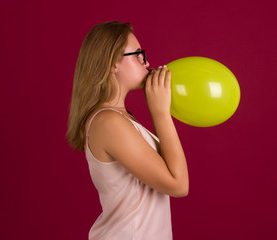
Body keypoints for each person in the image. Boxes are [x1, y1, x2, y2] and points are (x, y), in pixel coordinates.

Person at [67, 21, 189, 240]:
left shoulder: (120, 118)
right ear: (112, 63)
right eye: (138, 55)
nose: (147, 62)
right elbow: (178, 185)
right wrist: (161, 113)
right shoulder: (108, 122)